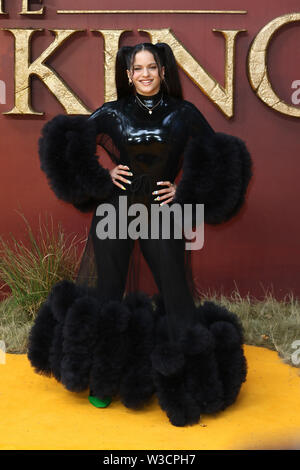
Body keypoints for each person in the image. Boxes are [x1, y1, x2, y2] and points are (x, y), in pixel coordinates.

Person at [27, 42, 252, 427]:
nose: (145, 74)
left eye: (152, 67)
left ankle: (186, 385)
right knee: (106, 291)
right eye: (138, 68)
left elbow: (217, 155)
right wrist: (103, 177)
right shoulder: (113, 113)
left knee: (177, 294)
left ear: (163, 71)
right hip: (116, 209)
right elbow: (68, 142)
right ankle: (102, 379)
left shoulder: (184, 114)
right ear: (128, 75)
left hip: (161, 213)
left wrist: (184, 192)